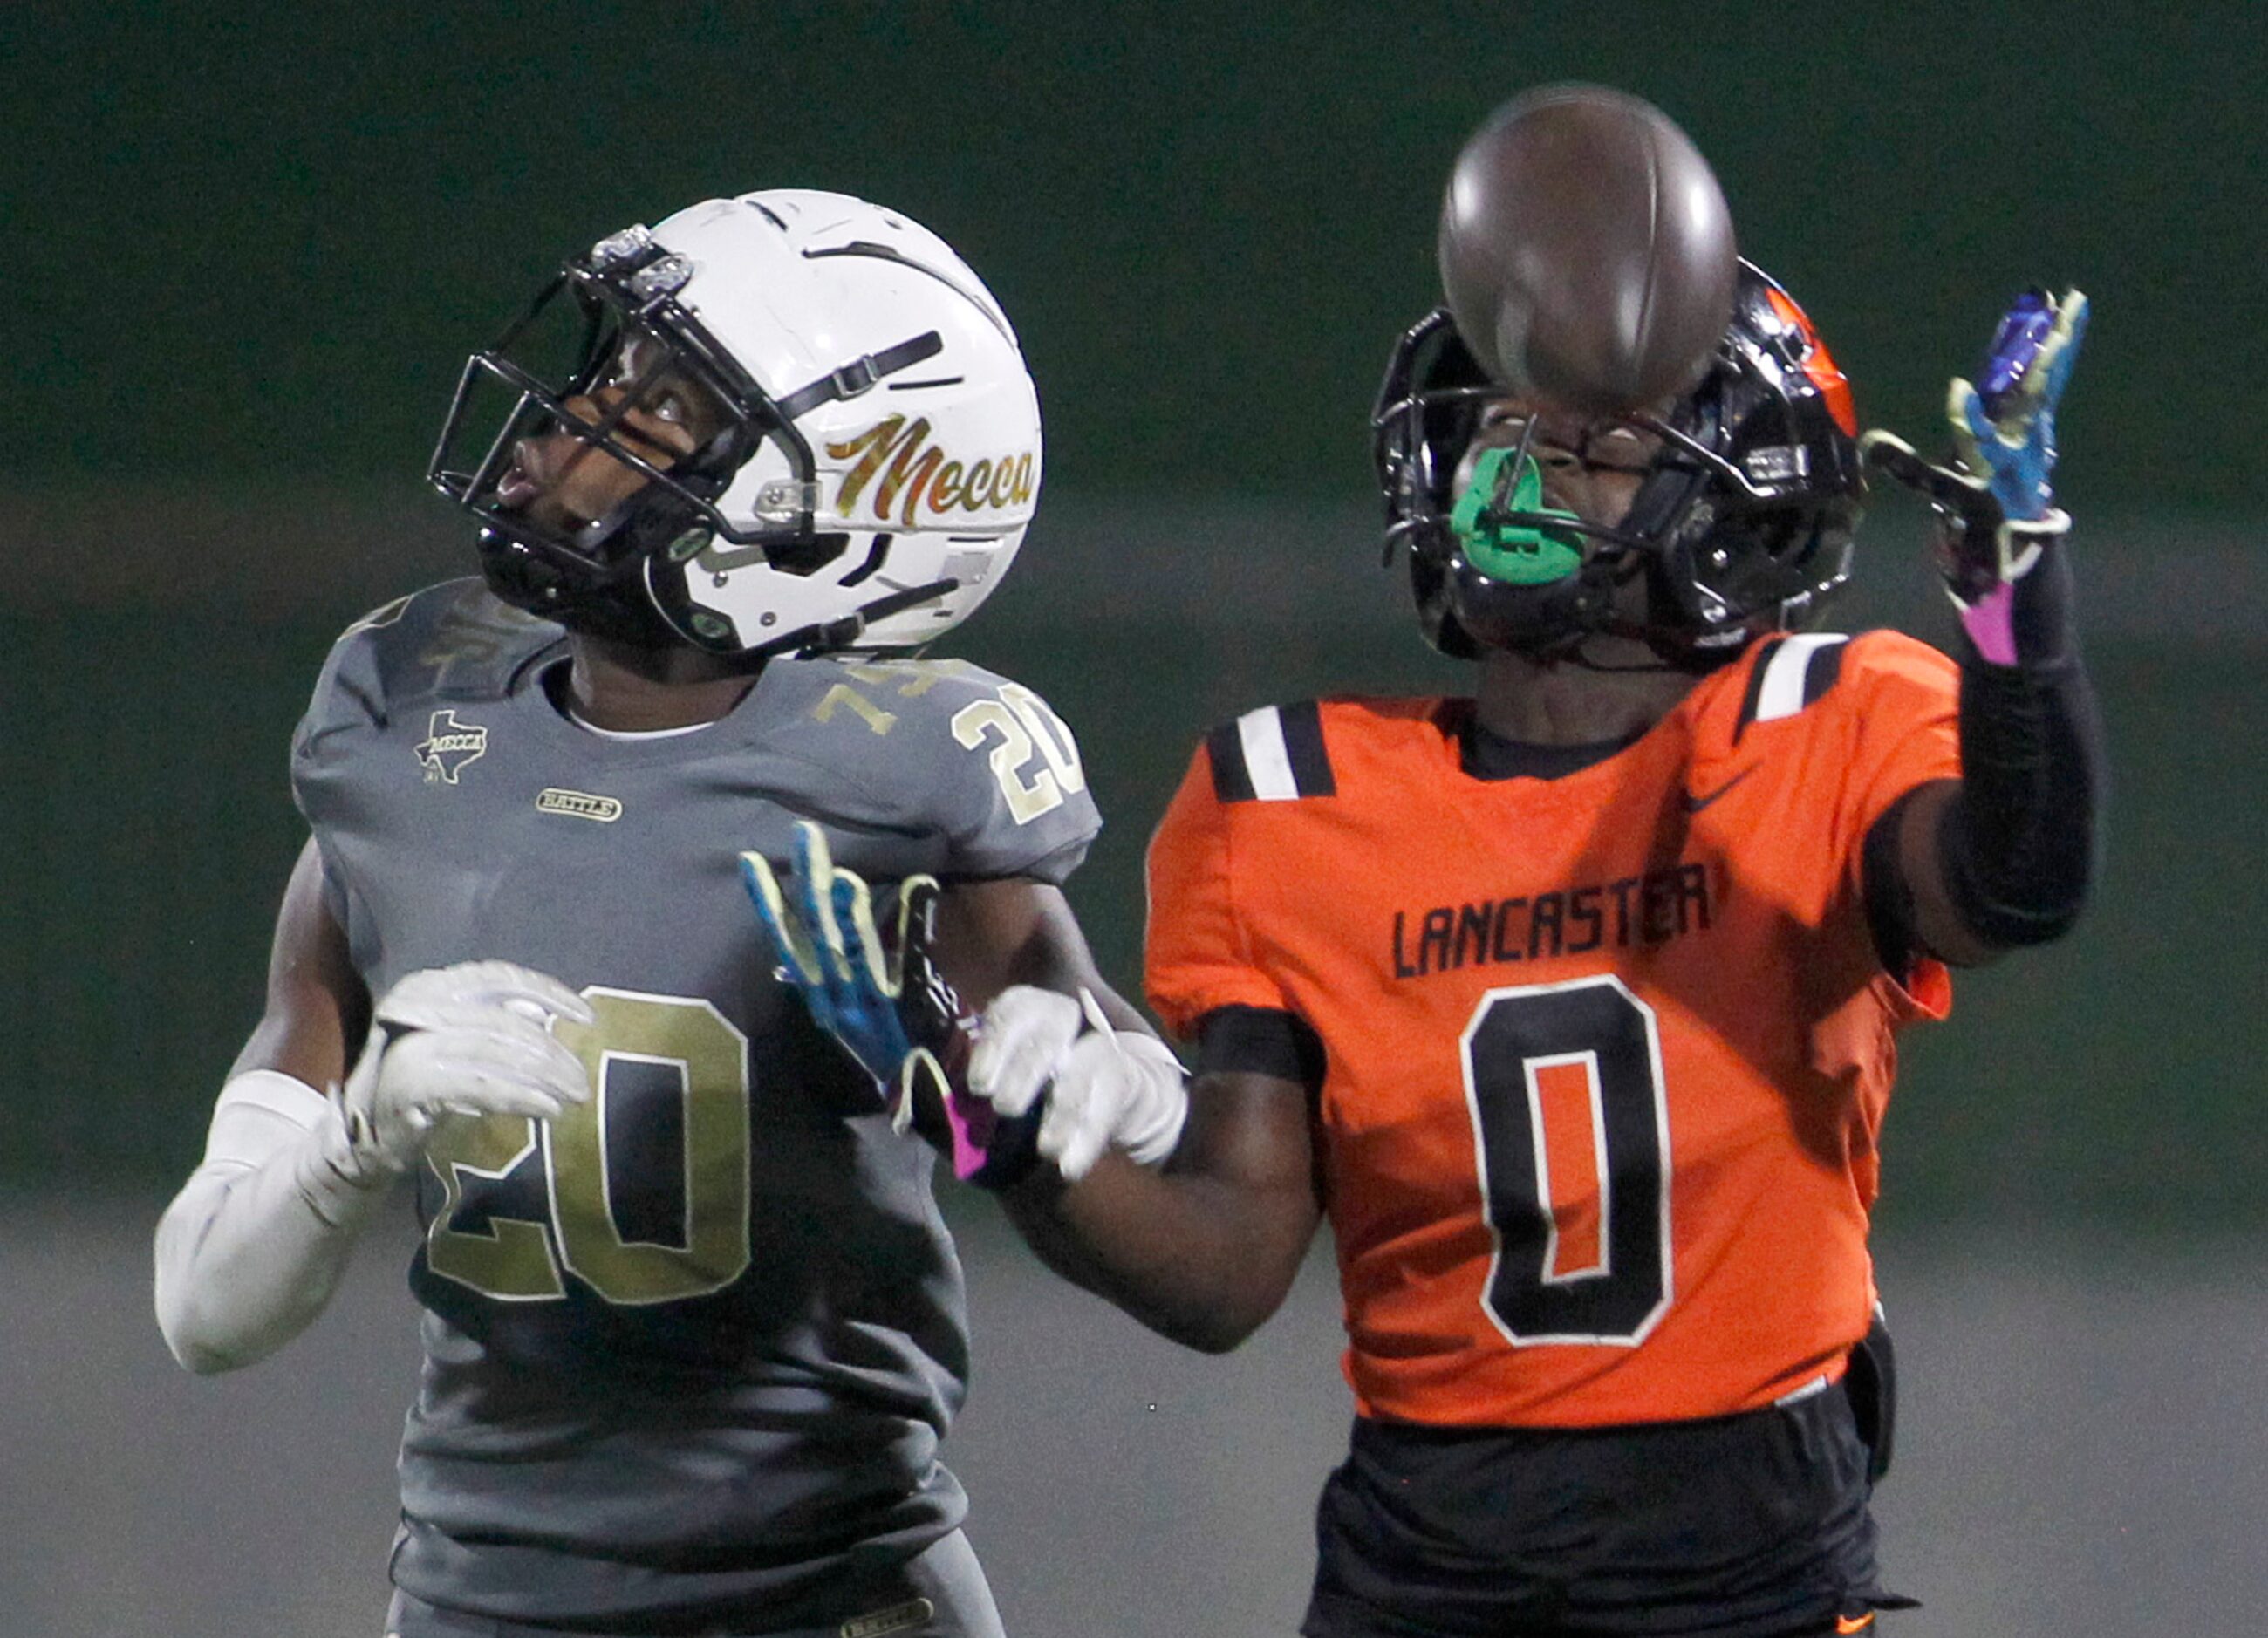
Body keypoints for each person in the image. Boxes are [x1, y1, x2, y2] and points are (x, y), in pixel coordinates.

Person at [926, 262, 2105, 1636]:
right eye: (1498, 427)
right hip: (1427, 1558)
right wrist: (1003, 1154)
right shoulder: (1289, 797)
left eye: (1593, 443)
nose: (1521, 469)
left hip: (1749, 1557)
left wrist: (2019, 600)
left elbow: (2018, 884)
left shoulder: (1826, 715)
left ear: (1732, 490)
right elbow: (1228, 1267)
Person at [150, 188, 1174, 1638]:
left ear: (825, 524)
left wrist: (1096, 1084)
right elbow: (202, 1306)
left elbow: (1042, 1098)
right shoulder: (410, 716)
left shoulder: (897, 777)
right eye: (606, 376)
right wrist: (356, 1131)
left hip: (829, 1595)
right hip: (476, 1599)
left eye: (659, 405)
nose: (567, 426)